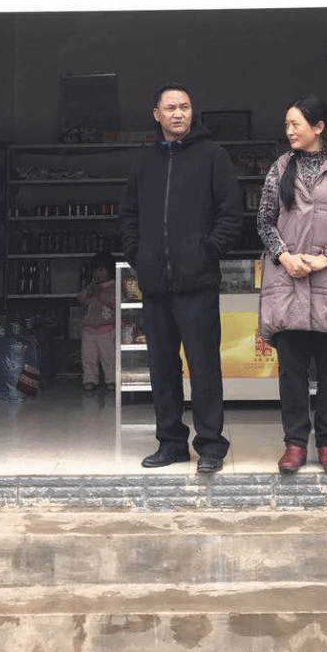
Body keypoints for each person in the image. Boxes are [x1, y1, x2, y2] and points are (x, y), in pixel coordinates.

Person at [121, 83, 243, 473]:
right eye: (171, 108)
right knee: (162, 368)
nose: (178, 113)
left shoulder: (213, 156)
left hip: (198, 284)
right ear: (156, 114)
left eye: (185, 107)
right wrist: (138, 254)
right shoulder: (144, 163)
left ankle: (211, 445)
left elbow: (231, 213)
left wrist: (207, 251)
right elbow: (128, 216)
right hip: (156, 285)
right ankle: (171, 442)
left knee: (204, 367)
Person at [257, 95, 327, 474]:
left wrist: (325, 258)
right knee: (291, 369)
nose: (289, 130)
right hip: (287, 279)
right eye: (287, 124)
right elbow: (264, 221)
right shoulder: (279, 169)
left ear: (318, 127)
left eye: (296, 124)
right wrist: (285, 256)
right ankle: (295, 444)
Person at [77, 251, 117, 391]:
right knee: (88, 357)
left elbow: (114, 302)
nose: (97, 273)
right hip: (89, 328)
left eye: (101, 270)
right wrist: (88, 292)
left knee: (109, 357)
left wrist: (99, 294)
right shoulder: (92, 286)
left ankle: (112, 379)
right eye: (95, 270)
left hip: (107, 328)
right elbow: (81, 298)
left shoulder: (114, 286)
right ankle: (89, 379)